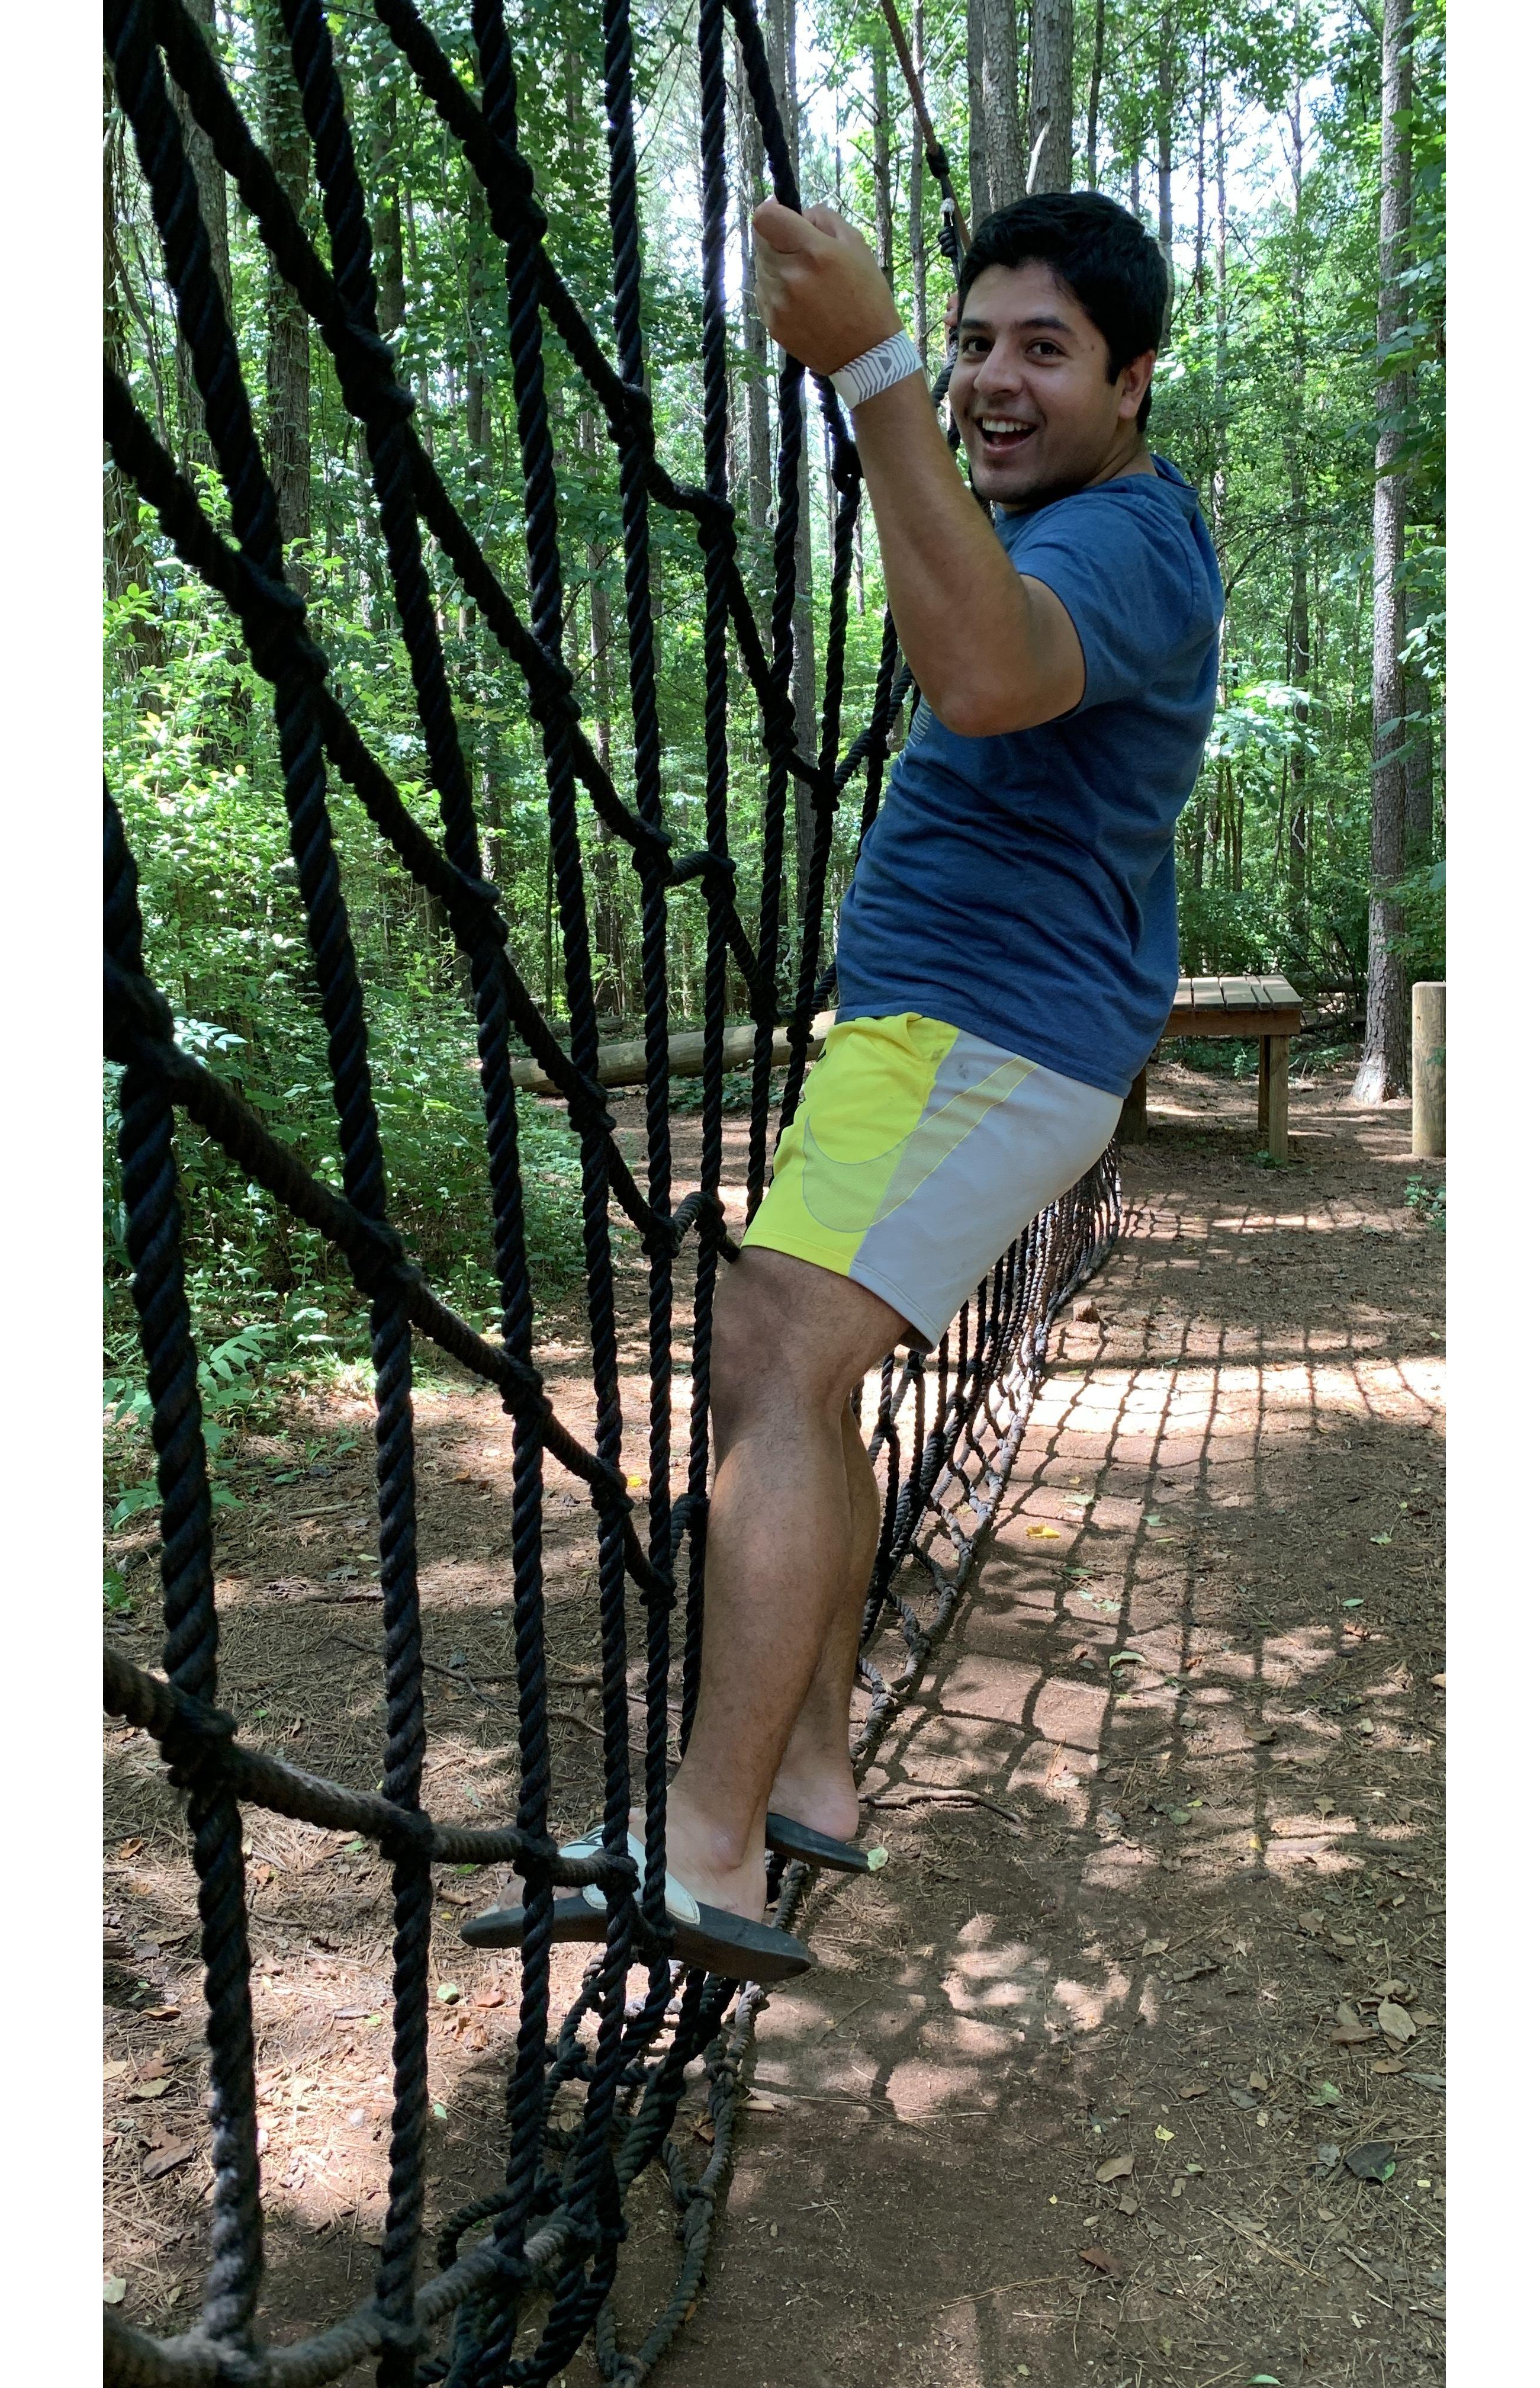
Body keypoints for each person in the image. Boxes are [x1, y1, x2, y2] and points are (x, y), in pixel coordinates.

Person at [465, 190, 1221, 1982]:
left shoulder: (1129, 533)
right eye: (972, 344)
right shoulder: (1070, 521)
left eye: (1045, 350)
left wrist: (873, 365)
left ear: (1131, 380)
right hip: (960, 1033)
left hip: (982, 1033)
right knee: (794, 1371)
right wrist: (900, 377)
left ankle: (707, 1852)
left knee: (777, 1364)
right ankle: (803, 1775)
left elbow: (986, 670)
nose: (993, 380)